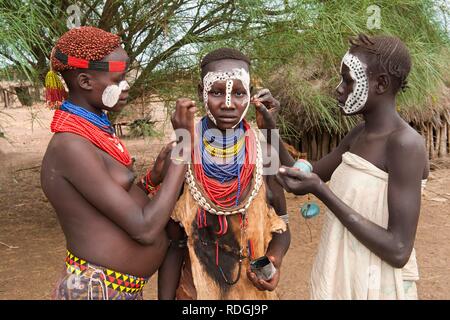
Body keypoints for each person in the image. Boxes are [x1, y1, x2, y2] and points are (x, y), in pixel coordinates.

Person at [257, 34, 429, 299]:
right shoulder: (358, 135)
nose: (339, 88)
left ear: (380, 83)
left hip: (377, 285)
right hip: (345, 275)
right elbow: (304, 177)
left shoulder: (406, 144)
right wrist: (271, 128)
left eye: (348, 81)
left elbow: (398, 250)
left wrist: (324, 193)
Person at [40, 26, 196, 300]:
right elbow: (145, 229)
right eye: (118, 79)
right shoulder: (70, 146)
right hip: (95, 292)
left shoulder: (93, 132)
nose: (126, 87)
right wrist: (185, 148)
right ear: (86, 81)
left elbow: (108, 203)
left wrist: (152, 180)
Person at [157, 48, 291, 300]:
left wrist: (273, 261)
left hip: (252, 295)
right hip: (195, 292)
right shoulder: (182, 153)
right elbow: (173, 244)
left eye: (239, 93)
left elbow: (282, 225)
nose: (228, 103)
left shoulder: (264, 151)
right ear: (200, 93)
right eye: (217, 92)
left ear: (251, 95)